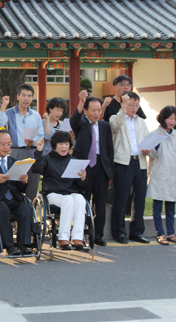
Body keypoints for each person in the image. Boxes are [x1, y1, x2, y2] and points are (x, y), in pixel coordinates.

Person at [70, 90, 113, 247]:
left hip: (101, 166)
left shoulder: (105, 126)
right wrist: (81, 101)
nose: (96, 113)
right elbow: (74, 120)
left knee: (100, 203)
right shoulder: (81, 124)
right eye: (93, 110)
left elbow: (109, 149)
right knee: (83, 201)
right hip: (84, 167)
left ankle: (98, 235)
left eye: (99, 110)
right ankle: (80, 233)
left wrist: (110, 173)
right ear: (86, 111)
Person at [32, 132, 88, 250]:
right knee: (68, 200)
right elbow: (36, 169)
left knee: (80, 199)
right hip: (52, 194)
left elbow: (79, 185)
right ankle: (63, 238)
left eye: (66, 144)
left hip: (69, 193)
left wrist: (83, 179)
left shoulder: (73, 160)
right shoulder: (47, 159)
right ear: (54, 145)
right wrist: (39, 151)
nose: (64, 147)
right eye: (61, 144)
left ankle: (78, 237)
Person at [110, 92, 150, 244]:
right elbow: (114, 126)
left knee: (139, 198)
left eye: (136, 105)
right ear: (123, 104)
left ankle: (137, 232)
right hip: (123, 162)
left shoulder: (141, 122)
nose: (134, 108)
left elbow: (147, 140)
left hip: (140, 162)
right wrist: (123, 107)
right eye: (131, 104)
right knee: (121, 198)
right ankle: (119, 232)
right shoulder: (116, 118)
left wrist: (148, 150)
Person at [146, 106, 176, 245]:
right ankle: (160, 233)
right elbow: (152, 154)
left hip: (174, 173)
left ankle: (171, 233)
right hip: (160, 173)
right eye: (170, 118)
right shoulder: (155, 134)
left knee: (171, 206)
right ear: (163, 118)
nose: (172, 121)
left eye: (175, 119)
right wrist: (156, 143)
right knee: (158, 206)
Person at [0, 84, 44, 200]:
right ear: (18, 96)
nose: (26, 99)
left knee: (33, 183)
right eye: (24, 95)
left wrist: (33, 141)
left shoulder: (35, 115)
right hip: (16, 151)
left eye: (29, 96)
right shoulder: (9, 112)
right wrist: (4, 105)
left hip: (33, 151)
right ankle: (16, 206)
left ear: (32, 98)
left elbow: (41, 135)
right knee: (14, 181)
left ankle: (30, 207)